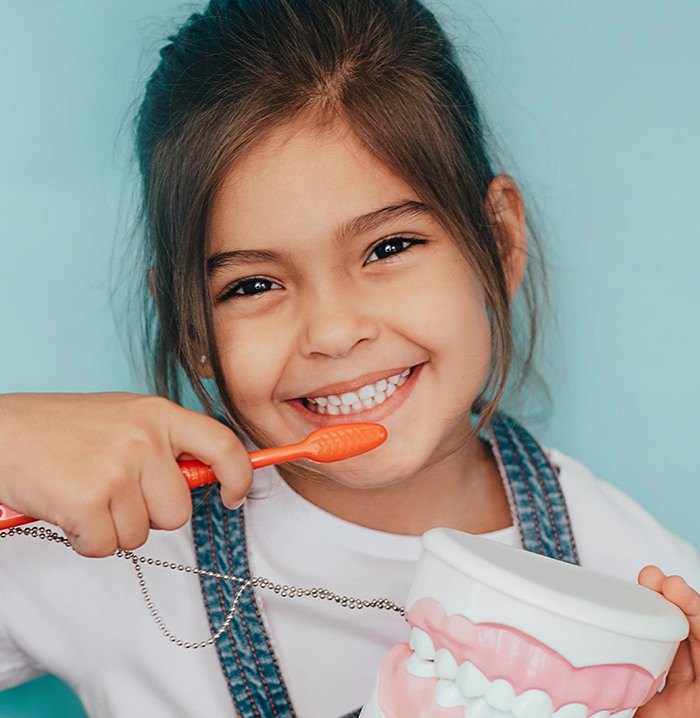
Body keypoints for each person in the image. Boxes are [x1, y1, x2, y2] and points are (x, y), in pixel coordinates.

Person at [1, 1, 699, 716]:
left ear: (498, 241)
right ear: (192, 326)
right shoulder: (109, 552)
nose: (333, 332)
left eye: (388, 248)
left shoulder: (642, 593)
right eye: (253, 285)